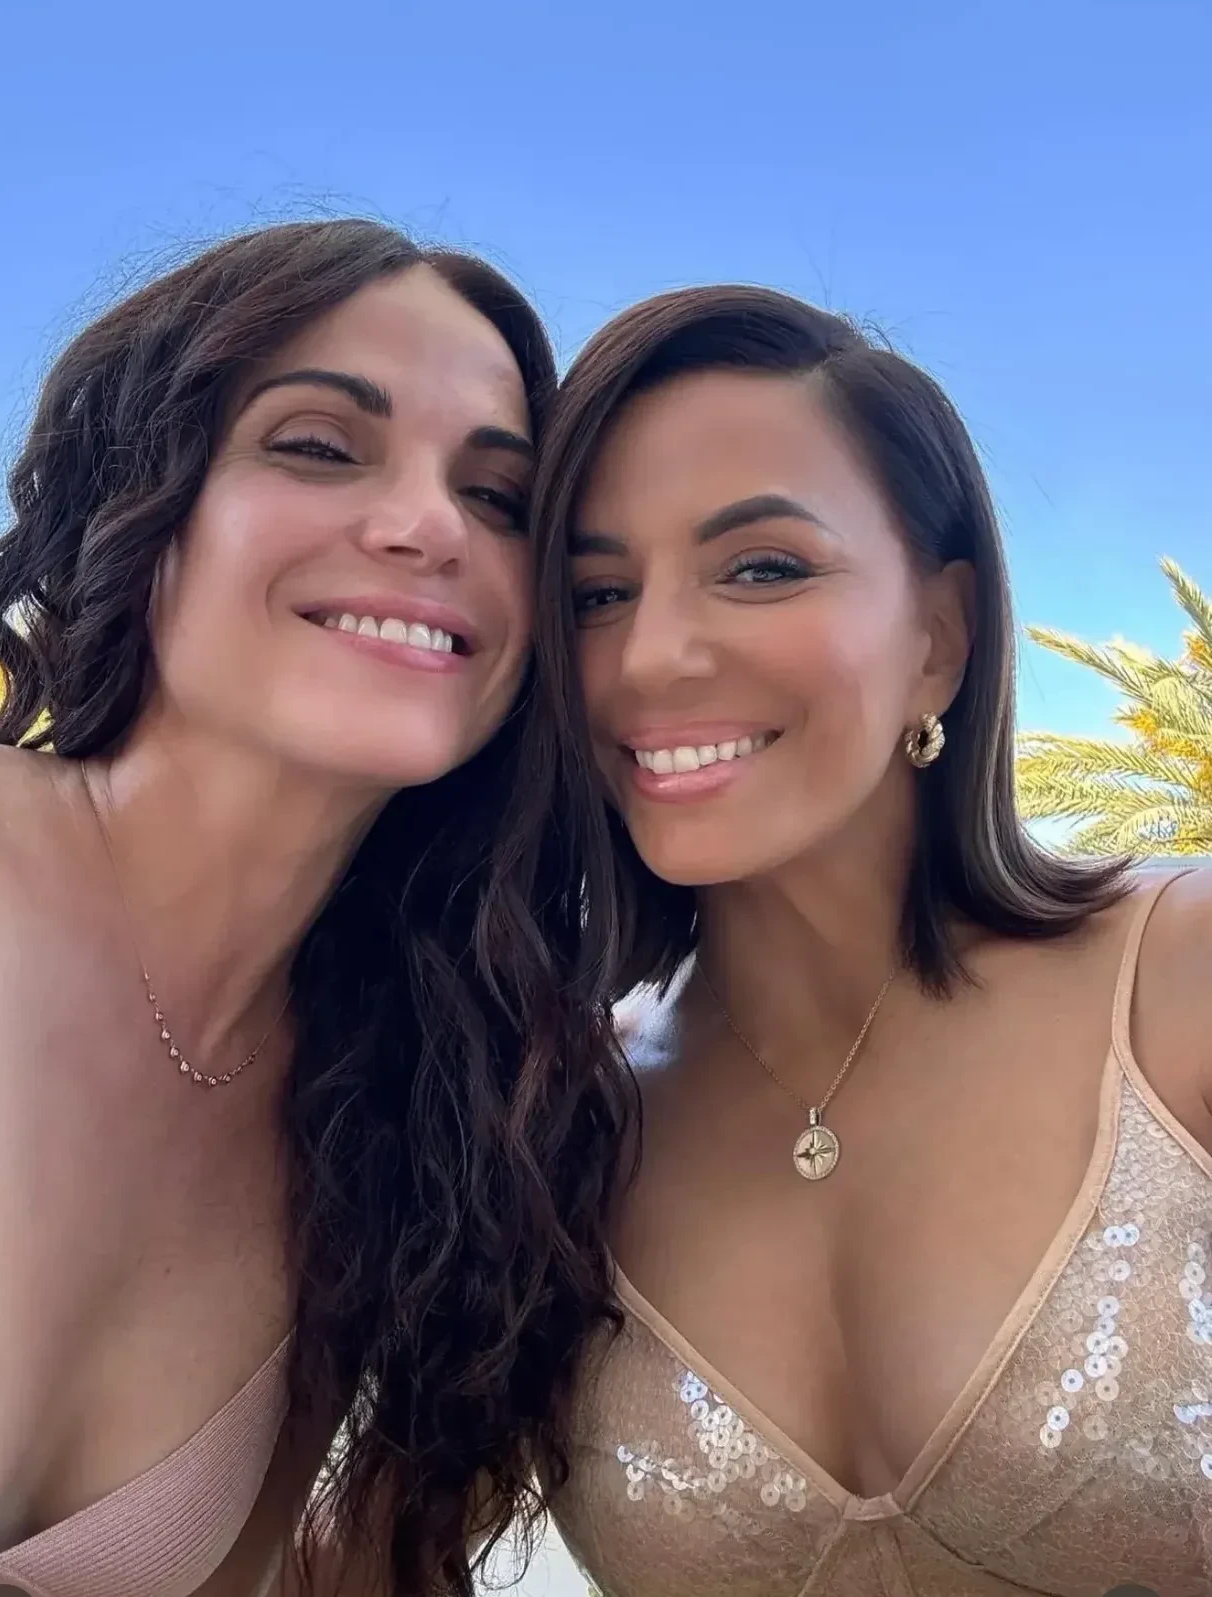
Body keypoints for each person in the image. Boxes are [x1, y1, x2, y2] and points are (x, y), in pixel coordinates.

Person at [0, 220, 634, 1597]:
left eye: (498, 497)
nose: (429, 525)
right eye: (320, 446)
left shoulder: (399, 1133)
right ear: (144, 502)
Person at [529, 284, 1212, 1596]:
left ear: (939, 639)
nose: (650, 656)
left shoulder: (1177, 986)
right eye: (597, 594)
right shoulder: (558, 1126)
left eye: (762, 567)